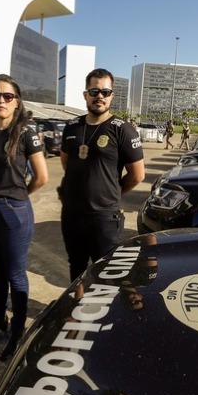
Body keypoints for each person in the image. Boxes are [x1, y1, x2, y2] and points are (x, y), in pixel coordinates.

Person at [0, 74, 49, 360]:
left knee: (16, 275)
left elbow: (42, 177)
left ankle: (18, 332)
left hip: (14, 211)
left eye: (8, 96)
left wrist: (18, 196)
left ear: (17, 102)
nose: (1, 101)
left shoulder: (26, 132)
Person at [59, 68, 145, 282]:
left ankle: (99, 316)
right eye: (95, 91)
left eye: (105, 92)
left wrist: (112, 191)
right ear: (86, 94)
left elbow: (137, 175)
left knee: (106, 274)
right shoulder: (72, 128)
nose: (100, 96)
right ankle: (76, 311)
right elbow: (66, 162)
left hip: (104, 218)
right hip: (72, 214)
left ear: (112, 96)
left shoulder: (122, 129)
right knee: (76, 268)